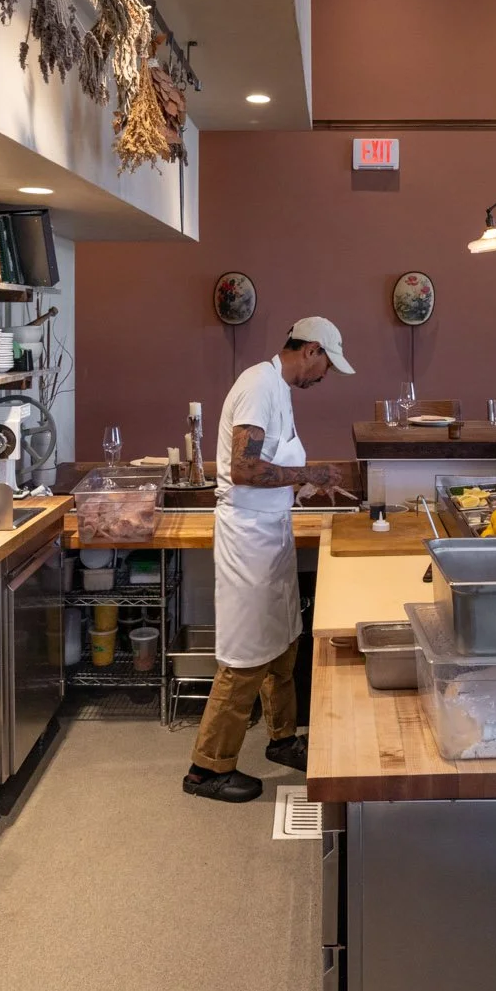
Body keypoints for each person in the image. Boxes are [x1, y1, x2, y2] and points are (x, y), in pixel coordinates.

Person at [184, 316, 357, 802]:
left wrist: (304, 484)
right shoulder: (259, 384)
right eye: (326, 365)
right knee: (244, 657)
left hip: (271, 534)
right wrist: (313, 471)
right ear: (310, 350)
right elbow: (243, 468)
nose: (324, 377)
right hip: (247, 540)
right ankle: (206, 768)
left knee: (284, 642)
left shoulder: (279, 390)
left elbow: (270, 464)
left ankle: (281, 739)